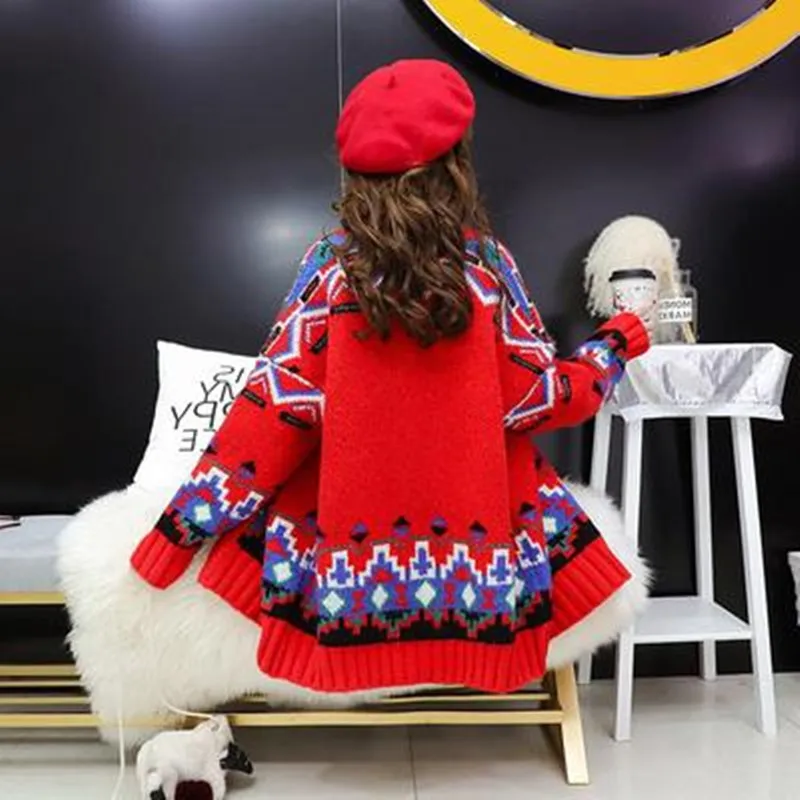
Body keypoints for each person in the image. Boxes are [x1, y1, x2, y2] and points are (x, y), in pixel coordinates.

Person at [131, 60, 650, 694]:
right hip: (480, 578)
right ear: (456, 164)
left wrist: (173, 540)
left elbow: (271, 413)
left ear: (355, 172)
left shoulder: (329, 270)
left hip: (347, 583)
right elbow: (540, 399)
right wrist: (613, 345)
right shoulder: (487, 271)